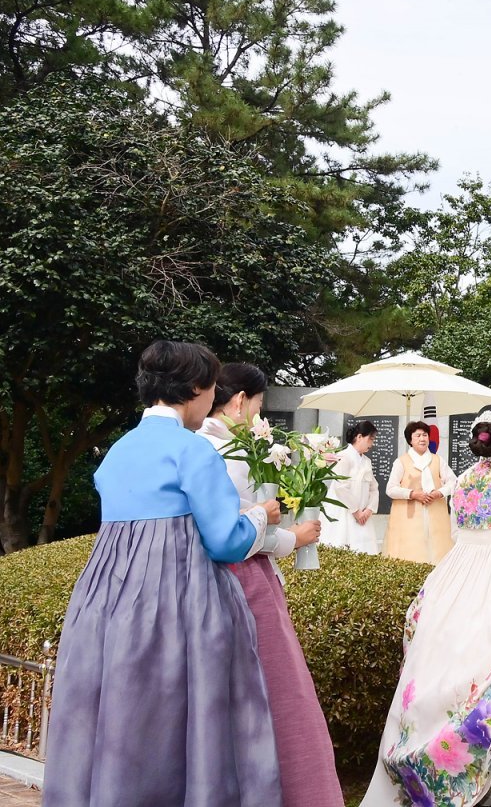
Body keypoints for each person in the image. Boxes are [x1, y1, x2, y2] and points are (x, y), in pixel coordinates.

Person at [44, 341, 284, 806]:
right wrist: (261, 516)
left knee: (117, 712)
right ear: (195, 388)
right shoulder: (192, 452)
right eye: (211, 390)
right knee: (185, 720)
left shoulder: (116, 452)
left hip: (107, 599)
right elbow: (225, 542)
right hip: (181, 598)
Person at [361, 404, 491, 807]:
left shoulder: (461, 483)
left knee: (440, 660)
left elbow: (460, 529)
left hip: (457, 574)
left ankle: (419, 756)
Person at [197, 362, 344, 807]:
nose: (260, 418)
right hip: (245, 580)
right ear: (240, 401)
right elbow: (238, 531)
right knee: (279, 691)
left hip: (202, 584)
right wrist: (293, 537)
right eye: (260, 406)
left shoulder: (200, 446)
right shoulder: (229, 454)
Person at [384, 420, 456, 564]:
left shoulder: (438, 460)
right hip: (408, 517)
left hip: (436, 514)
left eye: (425, 435)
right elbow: (390, 489)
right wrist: (413, 494)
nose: (422, 439)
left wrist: (439, 493)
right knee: (410, 552)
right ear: (410, 440)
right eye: (417, 435)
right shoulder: (401, 462)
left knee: (437, 551)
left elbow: (454, 482)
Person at [324, 420, 380, 553]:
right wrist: (356, 511)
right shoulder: (343, 457)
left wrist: (369, 509)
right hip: (344, 513)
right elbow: (340, 487)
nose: (372, 443)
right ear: (359, 437)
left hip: (363, 516)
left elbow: (374, 487)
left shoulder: (367, 461)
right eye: (370, 439)